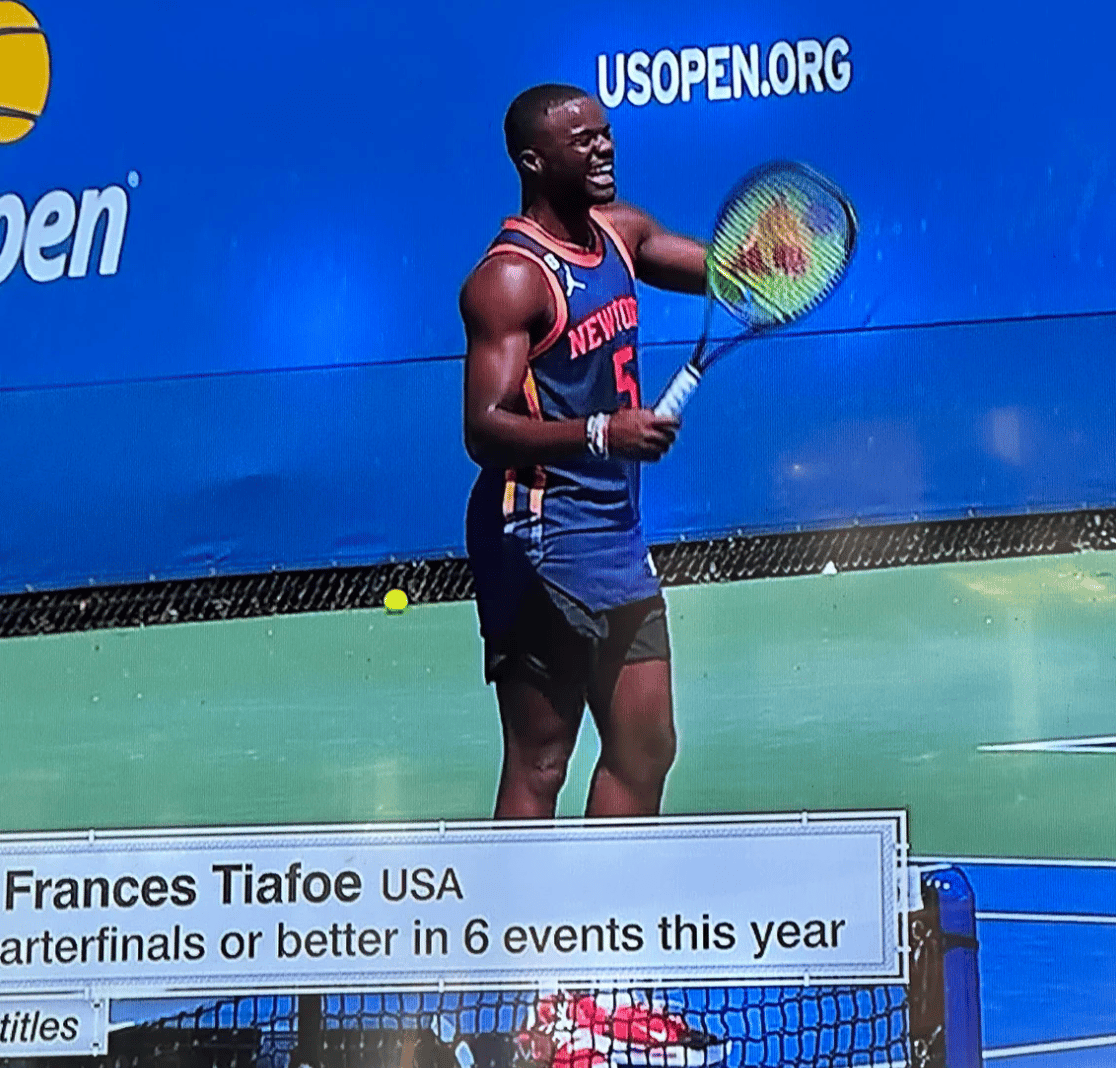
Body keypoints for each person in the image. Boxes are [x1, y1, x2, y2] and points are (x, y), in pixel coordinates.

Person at [460, 84, 706, 819]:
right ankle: (514, 897)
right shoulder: (511, 278)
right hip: (536, 535)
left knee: (646, 747)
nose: (604, 149)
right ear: (533, 161)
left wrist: (771, 260)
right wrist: (602, 432)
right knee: (541, 761)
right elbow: (483, 429)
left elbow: (722, 268)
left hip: (613, 533)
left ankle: (608, 895)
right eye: (583, 141)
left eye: (605, 134)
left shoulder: (622, 233)